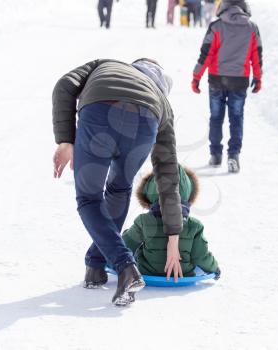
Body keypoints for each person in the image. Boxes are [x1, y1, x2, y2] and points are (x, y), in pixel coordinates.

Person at [52, 58, 183, 306]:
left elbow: (64, 85)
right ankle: (96, 265)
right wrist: (174, 236)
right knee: (119, 189)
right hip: (145, 122)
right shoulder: (162, 101)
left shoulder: (106, 64)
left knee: (89, 198)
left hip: (100, 110)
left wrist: (65, 140)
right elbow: (168, 174)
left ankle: (125, 268)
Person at [191, 0, 263, 172]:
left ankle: (215, 155)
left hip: (217, 80)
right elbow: (257, 55)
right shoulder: (252, 27)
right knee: (236, 118)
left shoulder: (216, 27)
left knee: (216, 118)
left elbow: (206, 54)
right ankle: (234, 156)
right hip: (239, 81)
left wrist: (196, 77)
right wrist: (258, 78)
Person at [123, 164, 220, 290]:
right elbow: (201, 256)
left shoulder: (144, 221)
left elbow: (126, 246)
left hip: (148, 273)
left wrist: (108, 260)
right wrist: (214, 268)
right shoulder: (194, 226)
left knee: (135, 245)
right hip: (182, 275)